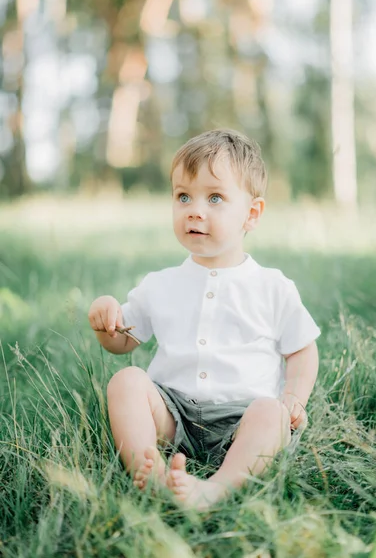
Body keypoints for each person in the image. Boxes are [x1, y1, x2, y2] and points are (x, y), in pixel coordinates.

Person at [88, 129, 320, 510]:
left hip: (241, 418)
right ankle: (151, 469)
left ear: (252, 213)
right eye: (183, 196)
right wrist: (105, 318)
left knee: (271, 415)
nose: (195, 210)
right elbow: (122, 342)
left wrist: (294, 397)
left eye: (215, 197)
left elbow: (302, 350)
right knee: (126, 381)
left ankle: (215, 488)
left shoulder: (272, 286)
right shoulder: (160, 284)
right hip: (173, 413)